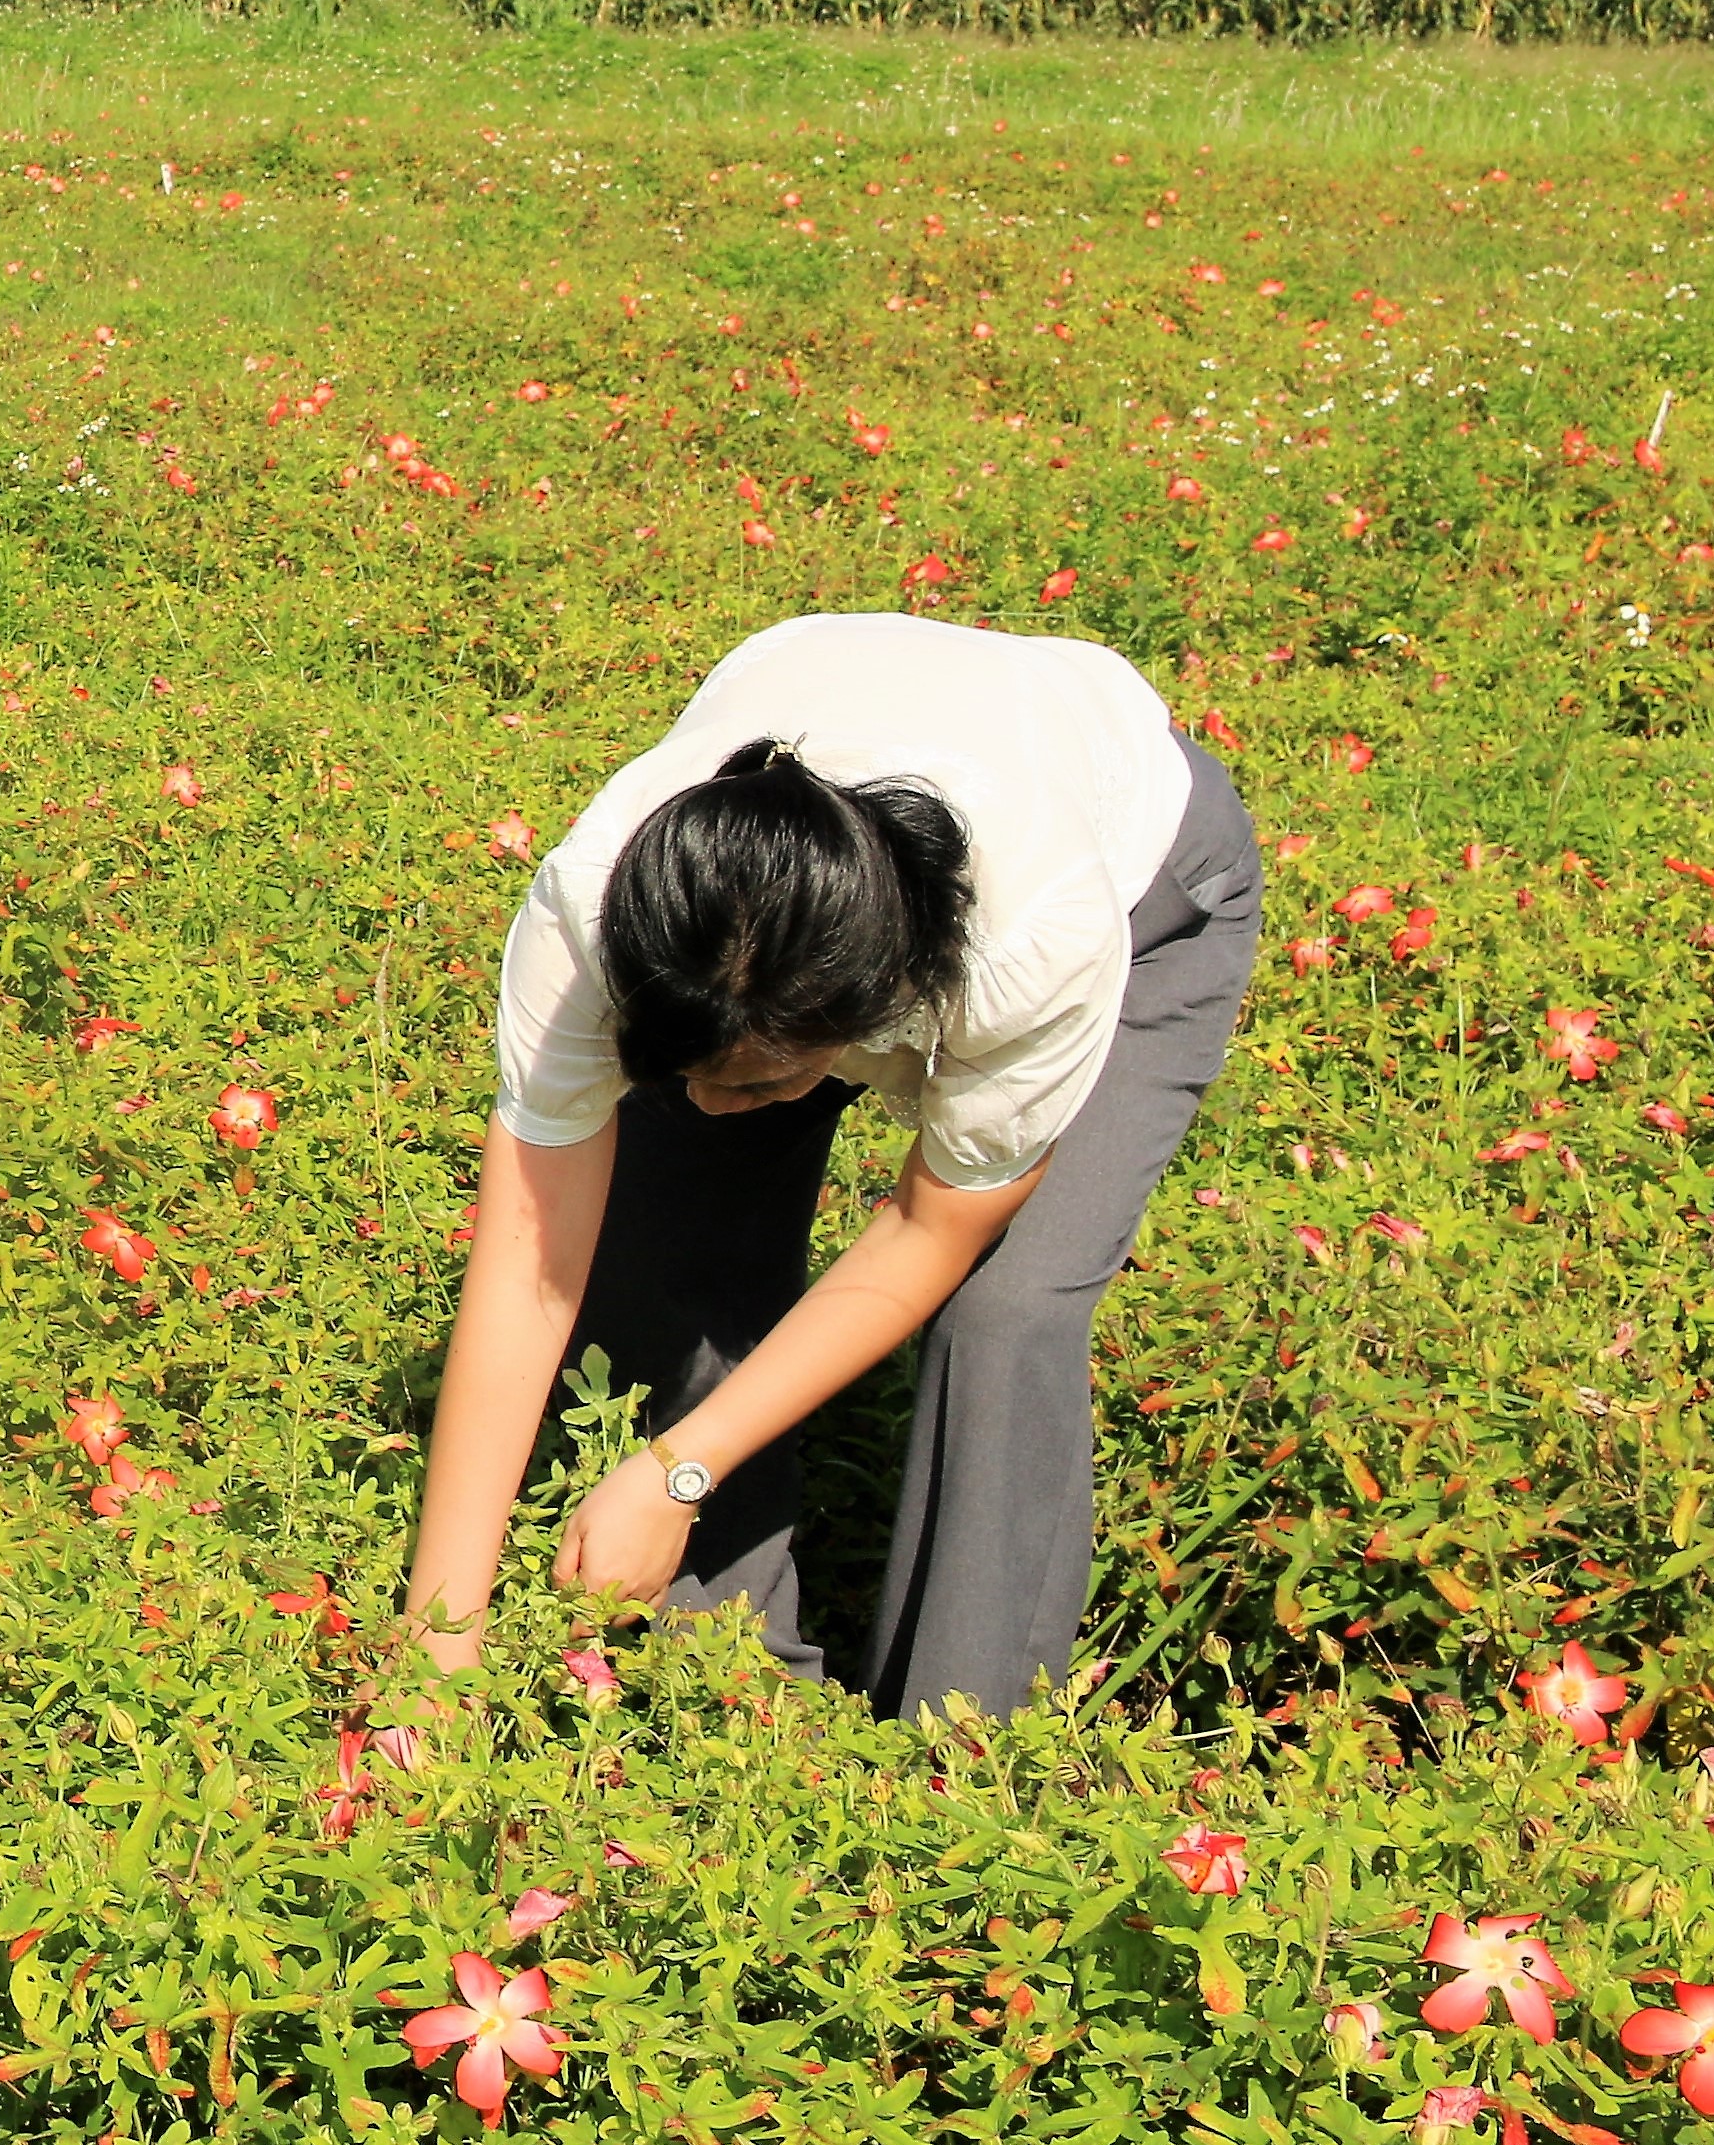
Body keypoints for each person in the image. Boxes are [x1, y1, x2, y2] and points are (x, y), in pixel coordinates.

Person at [396, 612, 1259, 1719]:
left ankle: (961, 1766)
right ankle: (741, 1705)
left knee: (1008, 1313)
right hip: (807, 872)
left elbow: (930, 1228)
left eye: (751, 1082)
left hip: (1147, 876)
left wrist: (680, 1468)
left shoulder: (1039, 941)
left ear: (874, 1016)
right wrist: (435, 1642)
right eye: (686, 1070)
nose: (713, 1104)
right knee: (670, 1250)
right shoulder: (595, 910)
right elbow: (526, 1265)